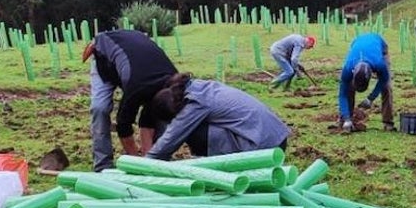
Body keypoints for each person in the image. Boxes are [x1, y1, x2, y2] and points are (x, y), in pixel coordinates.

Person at [82, 29, 178, 172]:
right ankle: (102, 165)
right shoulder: (136, 87)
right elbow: (123, 124)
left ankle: (158, 158)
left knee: (162, 116)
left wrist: (148, 157)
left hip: (133, 61)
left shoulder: (175, 82)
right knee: (99, 108)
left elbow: (149, 117)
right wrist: (136, 164)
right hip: (105, 58)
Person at [145, 74, 291, 160]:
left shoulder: (196, 102)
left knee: (194, 132)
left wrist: (145, 164)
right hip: (277, 139)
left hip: (263, 149)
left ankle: (210, 168)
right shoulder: (201, 87)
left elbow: (171, 138)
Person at [339, 32, 393, 133]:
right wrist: (346, 118)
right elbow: (342, 94)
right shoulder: (348, 67)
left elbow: (384, 79)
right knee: (349, 88)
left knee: (386, 87)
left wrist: (371, 98)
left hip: (379, 43)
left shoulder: (379, 64)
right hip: (357, 42)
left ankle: (388, 122)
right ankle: (346, 120)